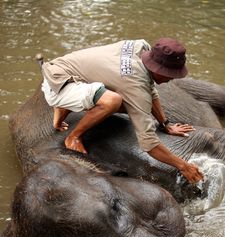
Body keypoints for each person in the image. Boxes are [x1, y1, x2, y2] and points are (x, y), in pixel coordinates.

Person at [41, 38, 203, 183]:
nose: (171, 79)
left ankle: (67, 104)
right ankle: (74, 136)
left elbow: (150, 88)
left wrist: (165, 123)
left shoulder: (141, 46)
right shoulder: (134, 84)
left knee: (129, 104)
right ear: (157, 69)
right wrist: (183, 166)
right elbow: (149, 143)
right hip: (58, 81)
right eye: (171, 74)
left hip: (70, 71)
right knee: (113, 101)